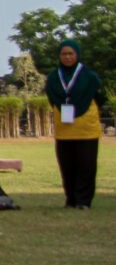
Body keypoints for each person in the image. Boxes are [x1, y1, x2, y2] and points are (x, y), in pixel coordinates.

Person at [45, 39, 107, 210]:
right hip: (64, 129)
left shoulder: (89, 76)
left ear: (77, 55)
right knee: (67, 166)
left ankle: (83, 201)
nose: (67, 57)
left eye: (71, 53)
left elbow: (100, 98)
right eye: (64, 54)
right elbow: (51, 97)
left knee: (86, 166)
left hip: (86, 129)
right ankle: (71, 199)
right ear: (59, 56)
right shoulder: (53, 77)